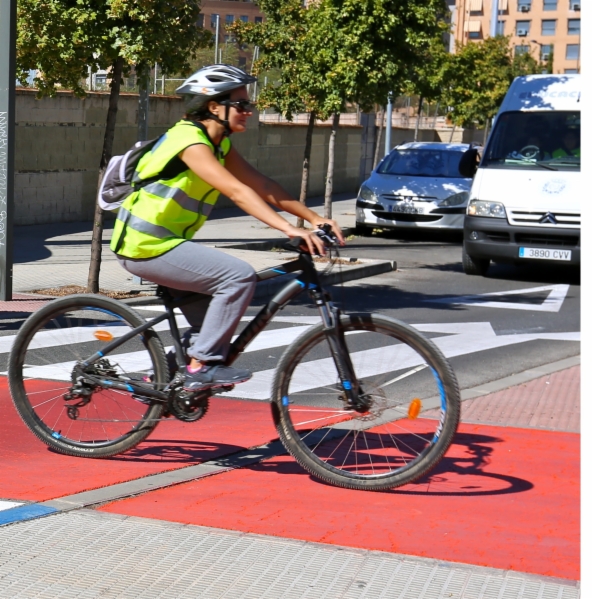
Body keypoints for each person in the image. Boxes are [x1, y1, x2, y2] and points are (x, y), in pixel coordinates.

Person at [110, 64, 345, 390]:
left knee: (214, 324)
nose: (249, 111)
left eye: (250, 105)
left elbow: (262, 185)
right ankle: (199, 368)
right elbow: (237, 192)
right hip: (145, 245)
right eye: (242, 105)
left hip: (168, 243)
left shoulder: (219, 145)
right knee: (237, 277)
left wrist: (313, 218)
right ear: (213, 106)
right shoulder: (188, 141)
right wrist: (289, 229)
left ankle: (159, 379)